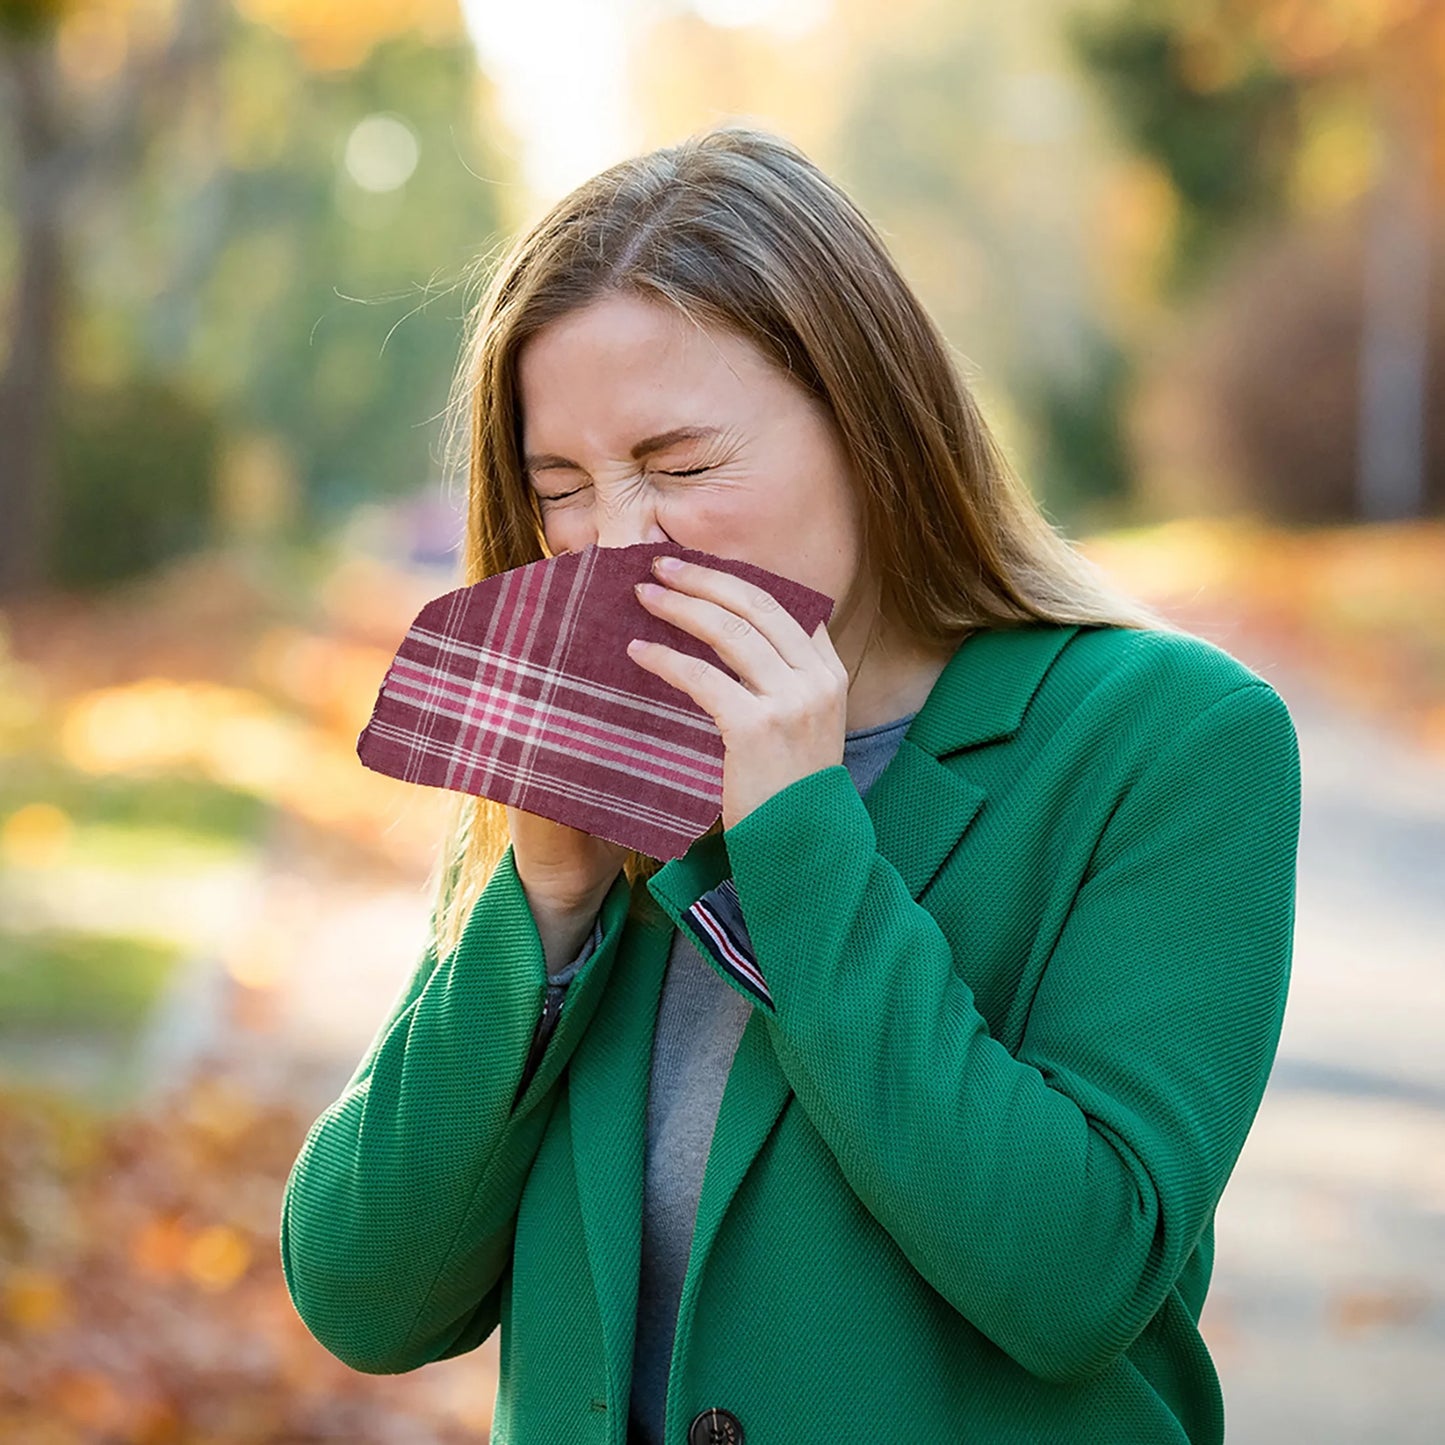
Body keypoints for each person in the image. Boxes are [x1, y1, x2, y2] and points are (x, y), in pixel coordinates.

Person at [280, 125, 1301, 1445]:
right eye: (561, 487)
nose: (618, 540)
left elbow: (1074, 1277)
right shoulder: (571, 784)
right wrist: (542, 904)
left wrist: (797, 840)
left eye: (681, 465)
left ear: (871, 431)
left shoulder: (1169, 742)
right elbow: (367, 1294)